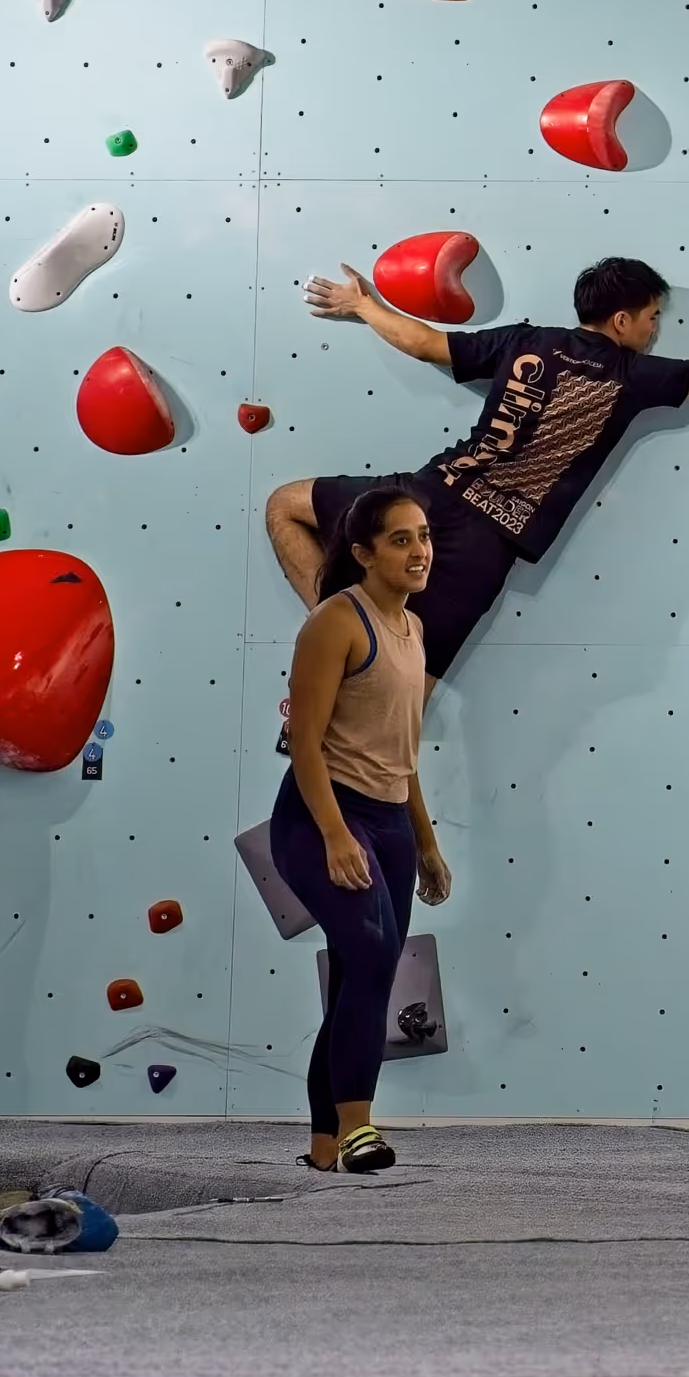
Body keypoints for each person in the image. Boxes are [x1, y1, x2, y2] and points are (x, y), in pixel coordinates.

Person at [263, 256, 689, 680]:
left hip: (425, 497)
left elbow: (424, 342)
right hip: (486, 541)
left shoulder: (523, 341)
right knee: (409, 685)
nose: (656, 332)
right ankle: (337, 655)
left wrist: (364, 306)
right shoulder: (632, 375)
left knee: (284, 504)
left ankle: (329, 633)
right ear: (622, 320)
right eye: (653, 317)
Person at [268, 482, 449, 1174]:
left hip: (389, 816)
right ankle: (359, 1129)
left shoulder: (415, 629)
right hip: (320, 813)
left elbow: (402, 751)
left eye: (424, 536)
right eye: (401, 539)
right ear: (363, 553)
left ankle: (320, 1152)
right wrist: (337, 835)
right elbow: (305, 745)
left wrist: (426, 840)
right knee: (374, 959)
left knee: (357, 975)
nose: (418, 551)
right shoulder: (336, 622)